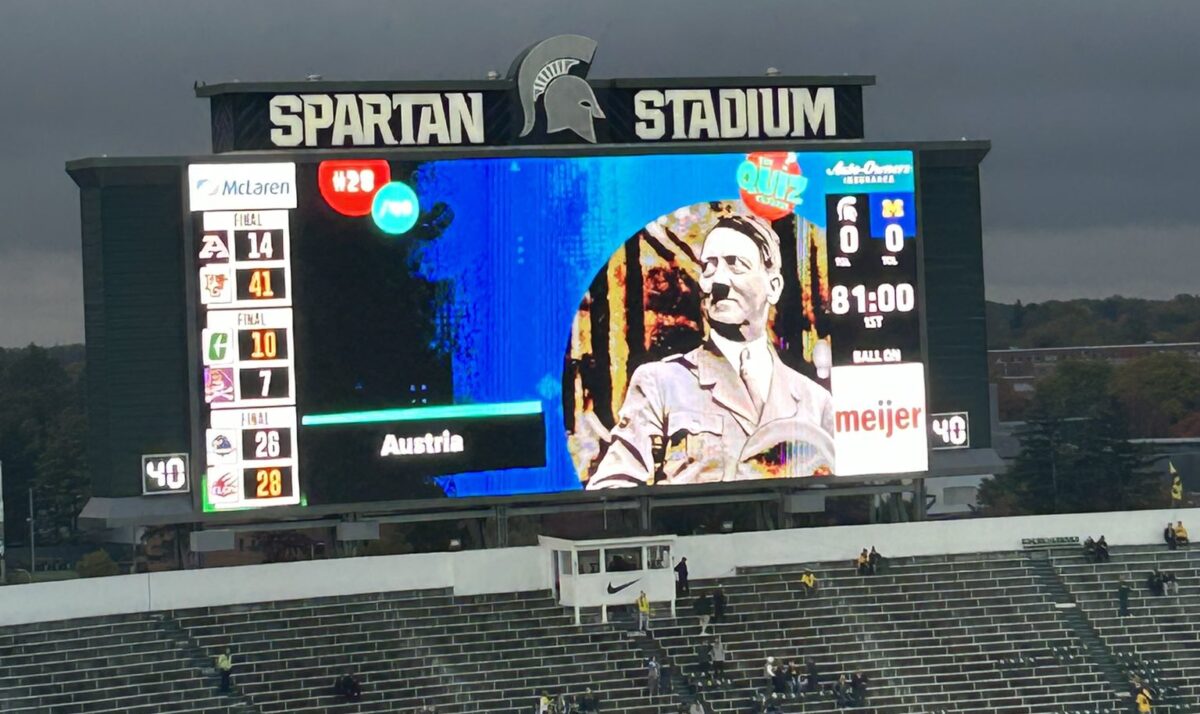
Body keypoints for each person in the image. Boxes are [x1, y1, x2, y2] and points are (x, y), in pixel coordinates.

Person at [587, 213, 836, 490]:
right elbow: (611, 488)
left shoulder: (816, 401)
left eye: (735, 265)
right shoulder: (660, 383)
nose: (716, 281)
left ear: (773, 287)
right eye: (708, 267)